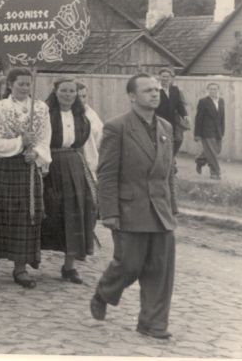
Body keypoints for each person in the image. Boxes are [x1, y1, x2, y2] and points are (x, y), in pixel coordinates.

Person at [90, 73, 178, 340]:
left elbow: (168, 171)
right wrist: (109, 212)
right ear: (132, 96)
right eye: (148, 90)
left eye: (157, 90)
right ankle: (105, 291)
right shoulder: (117, 127)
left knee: (160, 270)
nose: (155, 94)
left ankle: (153, 324)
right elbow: (106, 173)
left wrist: (172, 205)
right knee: (129, 264)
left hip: (160, 210)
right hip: (129, 208)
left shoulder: (166, 127)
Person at [0, 67, 51, 288]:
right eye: (20, 84)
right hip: (4, 164)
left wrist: (36, 153)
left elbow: (45, 137)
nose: (25, 88)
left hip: (28, 168)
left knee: (27, 216)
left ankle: (21, 268)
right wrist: (20, 144)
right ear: (10, 85)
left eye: (28, 84)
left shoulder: (40, 108)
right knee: (1, 213)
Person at [40, 78, 98, 284]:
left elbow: (87, 145)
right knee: (49, 211)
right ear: (55, 93)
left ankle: (69, 266)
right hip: (50, 165)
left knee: (76, 212)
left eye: (71, 91)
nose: (67, 95)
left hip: (74, 164)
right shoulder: (45, 114)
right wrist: (42, 164)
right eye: (63, 91)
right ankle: (31, 257)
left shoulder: (83, 117)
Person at [194, 83, 225, 181]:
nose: (213, 91)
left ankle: (200, 160)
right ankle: (215, 172)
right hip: (206, 131)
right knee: (212, 153)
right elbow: (198, 118)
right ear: (208, 90)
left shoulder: (221, 101)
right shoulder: (203, 102)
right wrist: (197, 134)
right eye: (211, 89)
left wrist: (222, 130)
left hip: (218, 131)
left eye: (215, 89)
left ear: (218, 90)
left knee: (217, 150)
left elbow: (222, 117)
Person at [155, 68, 189, 156]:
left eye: (167, 77)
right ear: (159, 77)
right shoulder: (155, 90)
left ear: (170, 78)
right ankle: (166, 160)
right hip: (159, 120)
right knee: (163, 140)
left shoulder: (174, 89)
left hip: (173, 120)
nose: (165, 79)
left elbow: (179, 104)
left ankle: (171, 158)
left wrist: (185, 115)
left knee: (178, 139)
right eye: (163, 76)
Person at [76, 82, 103, 177]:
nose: (82, 100)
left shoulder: (91, 114)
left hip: (90, 162)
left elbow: (101, 138)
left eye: (84, 96)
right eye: (78, 97)